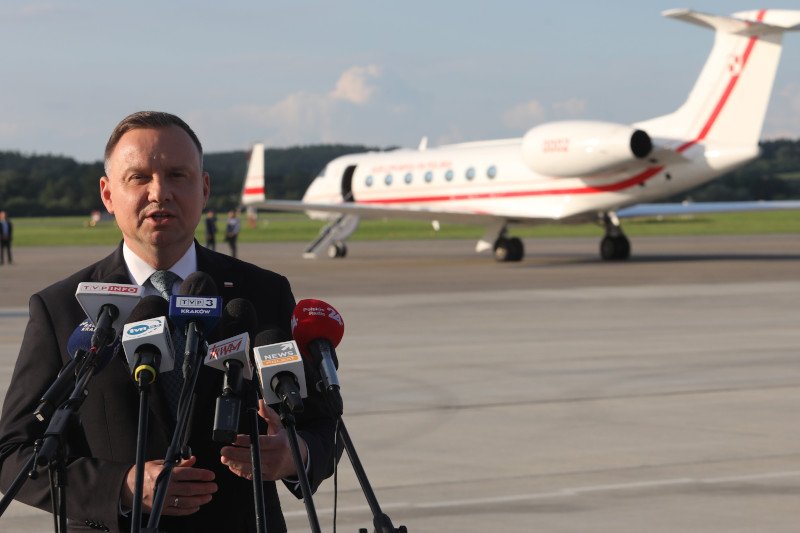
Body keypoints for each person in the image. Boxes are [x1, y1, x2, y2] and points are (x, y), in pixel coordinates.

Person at [0, 112, 338, 532]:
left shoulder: (262, 293)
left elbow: (324, 424)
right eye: (138, 177)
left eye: (178, 174)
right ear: (108, 195)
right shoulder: (60, 308)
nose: (159, 192)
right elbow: (15, 450)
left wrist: (296, 454)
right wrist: (120, 486)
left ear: (205, 188)